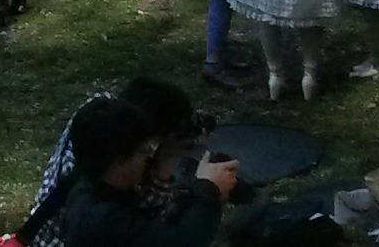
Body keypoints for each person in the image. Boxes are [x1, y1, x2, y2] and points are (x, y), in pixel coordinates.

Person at [21, 78, 198, 247]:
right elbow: (147, 218)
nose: (150, 152)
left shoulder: (96, 117)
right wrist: (168, 160)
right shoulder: (100, 190)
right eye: (146, 147)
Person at [48, 93, 239, 247]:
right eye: (143, 151)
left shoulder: (93, 187)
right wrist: (208, 190)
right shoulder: (104, 221)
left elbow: (154, 225)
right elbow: (181, 241)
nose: (149, 156)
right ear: (120, 162)